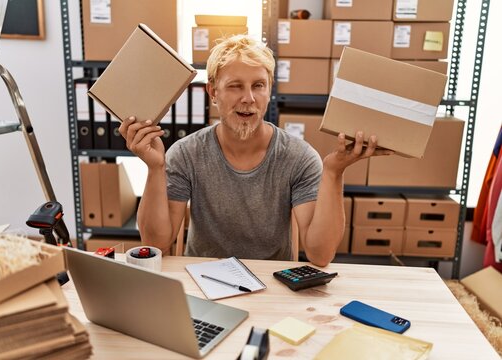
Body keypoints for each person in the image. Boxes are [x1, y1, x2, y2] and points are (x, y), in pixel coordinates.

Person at [119, 34, 392, 266]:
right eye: (235, 86)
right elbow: (155, 242)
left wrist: (333, 172)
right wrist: (155, 168)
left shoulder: (299, 157)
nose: (248, 98)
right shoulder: (186, 153)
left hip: (274, 283)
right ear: (213, 92)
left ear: (269, 90)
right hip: (203, 279)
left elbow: (320, 255)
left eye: (258, 86)